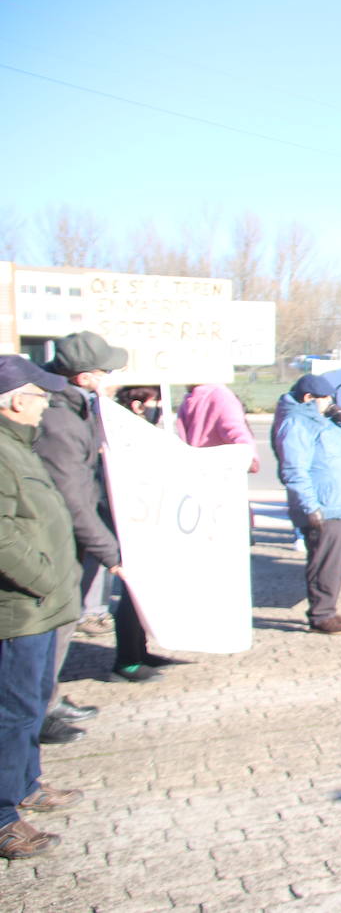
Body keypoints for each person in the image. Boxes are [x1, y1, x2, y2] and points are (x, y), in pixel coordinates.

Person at [34, 332, 165, 702]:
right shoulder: (59, 421)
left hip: (73, 535)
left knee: (63, 620)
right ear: (83, 377)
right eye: (104, 370)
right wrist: (111, 553)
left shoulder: (77, 408)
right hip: (60, 539)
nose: (110, 376)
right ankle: (42, 708)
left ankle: (47, 701)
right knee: (56, 623)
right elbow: (73, 497)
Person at [0, 355, 85, 859]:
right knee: (12, 711)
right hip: (21, 608)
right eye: (39, 396)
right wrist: (44, 578)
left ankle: (27, 783)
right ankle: (4, 816)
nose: (47, 404)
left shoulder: (20, 447)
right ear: (13, 401)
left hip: (43, 606)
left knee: (31, 705)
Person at [275, 375, 341, 635]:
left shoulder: (324, 418)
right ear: (308, 398)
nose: (329, 403)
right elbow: (295, 470)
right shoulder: (296, 423)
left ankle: (329, 608)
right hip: (323, 505)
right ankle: (320, 614)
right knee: (323, 562)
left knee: (335, 563)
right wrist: (309, 506)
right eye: (325, 398)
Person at [174, 384, 259, 472]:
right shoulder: (191, 399)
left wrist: (249, 457)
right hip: (207, 472)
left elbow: (236, 431)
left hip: (214, 472)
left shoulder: (219, 396)